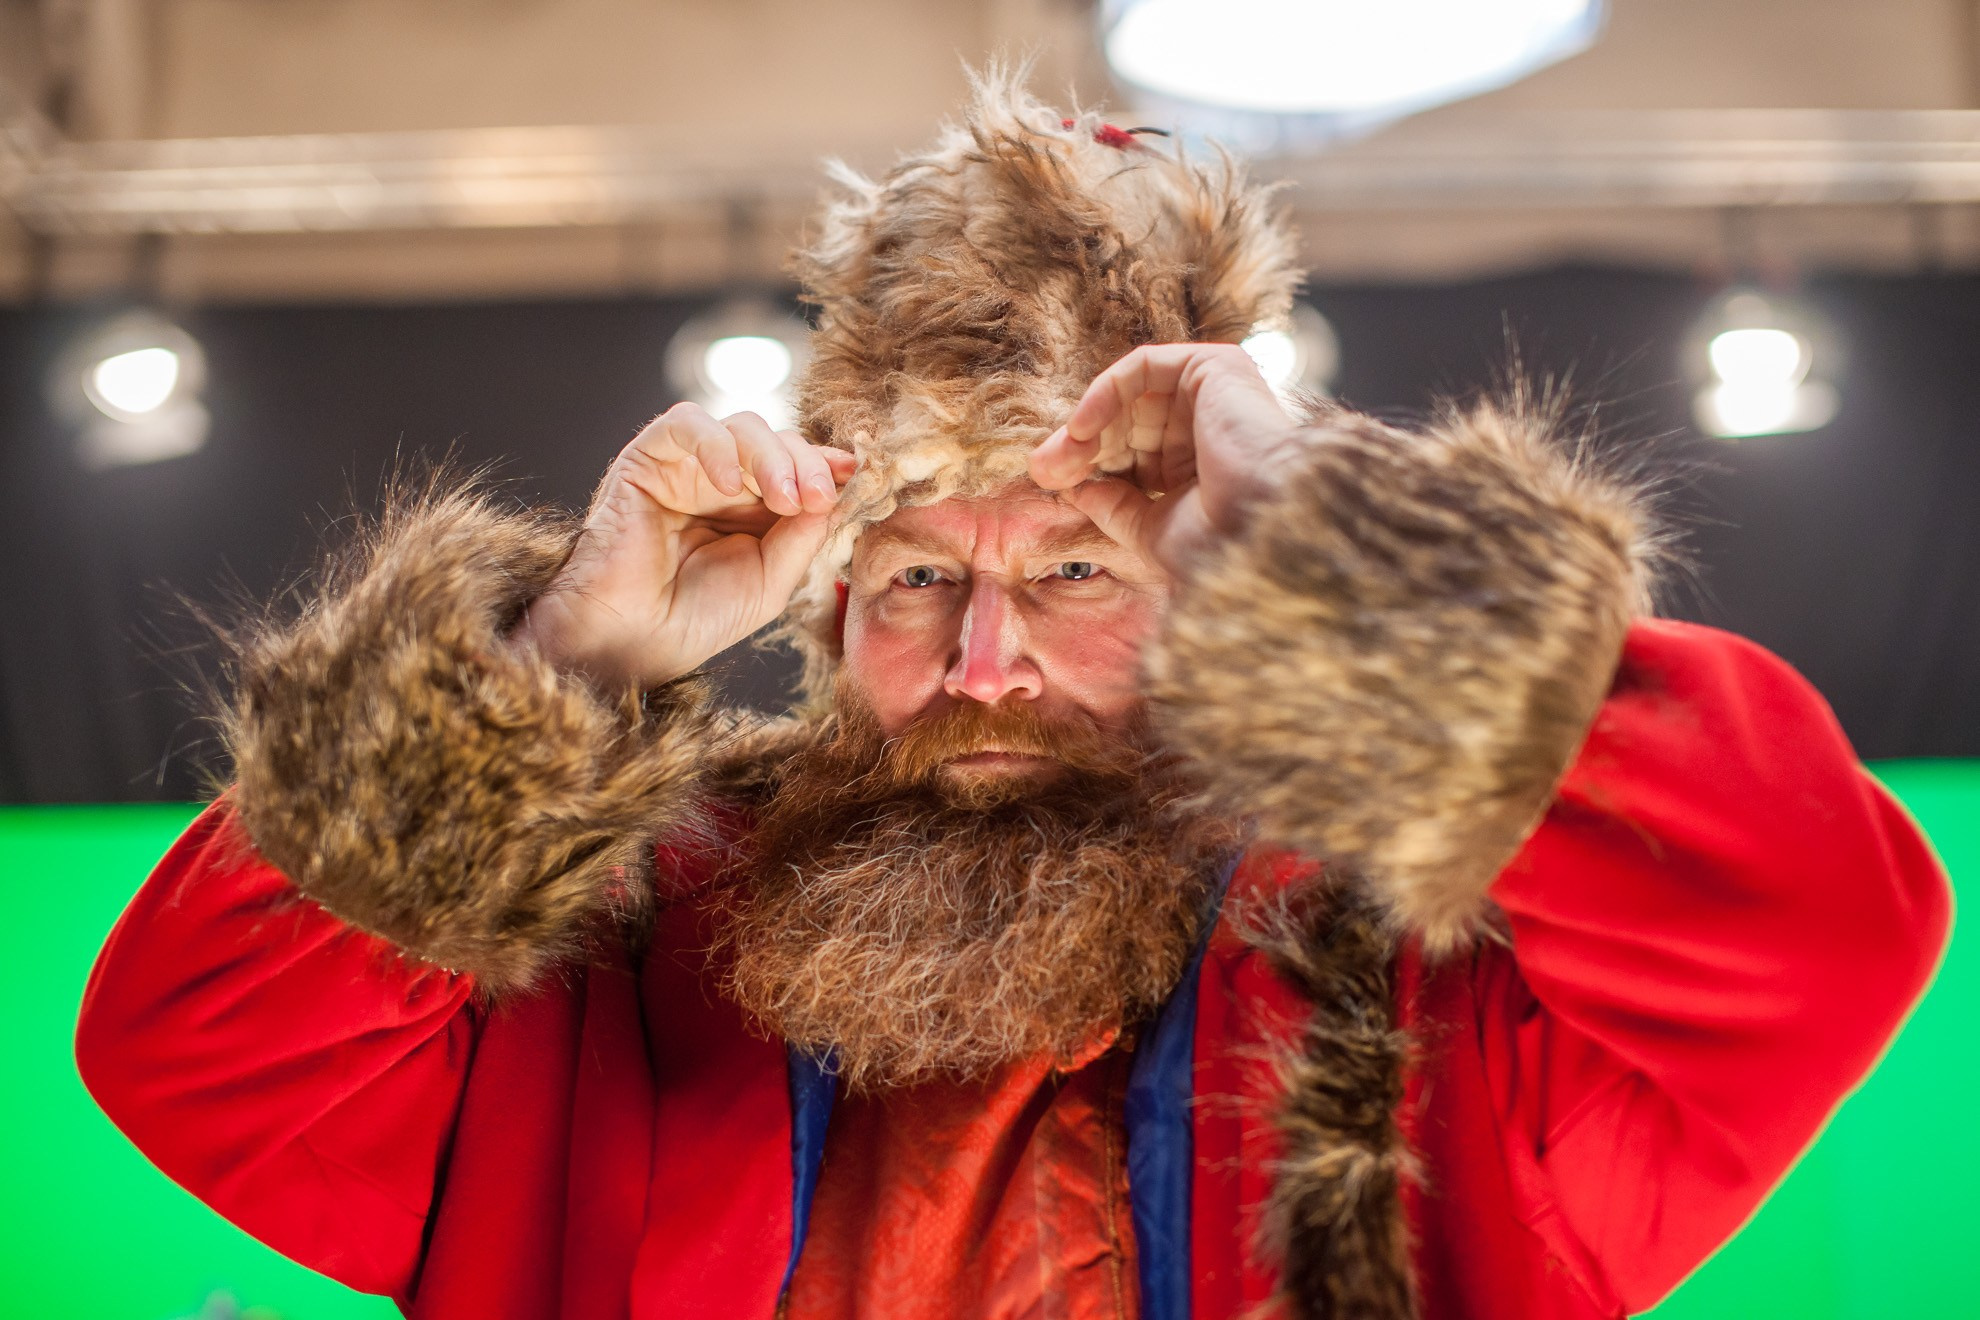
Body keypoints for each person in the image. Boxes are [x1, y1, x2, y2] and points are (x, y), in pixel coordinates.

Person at [77, 75, 1951, 1320]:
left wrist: (1341, 538)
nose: (988, 664)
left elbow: (1820, 921)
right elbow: (191, 1053)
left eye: (1072, 572)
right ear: (816, 618)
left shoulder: (1432, 999)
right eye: (916, 580)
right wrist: (565, 657)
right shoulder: (607, 966)